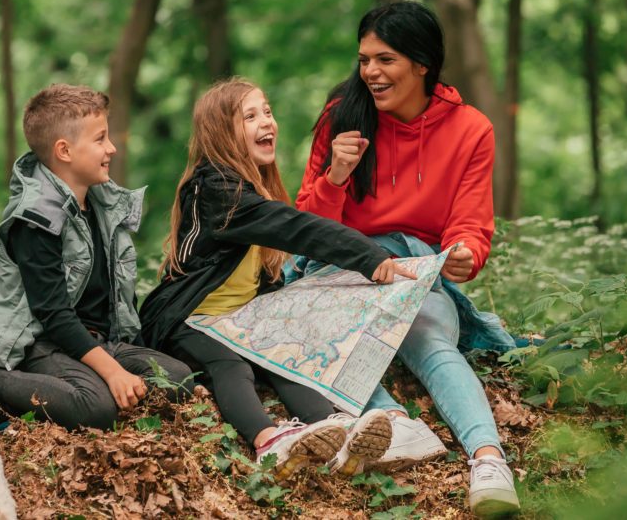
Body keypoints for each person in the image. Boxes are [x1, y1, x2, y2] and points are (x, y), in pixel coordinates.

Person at [295, 1, 520, 516]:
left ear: (422, 64)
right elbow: (307, 227)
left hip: (416, 272)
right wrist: (335, 177)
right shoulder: (341, 118)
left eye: (385, 59)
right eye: (364, 59)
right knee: (328, 342)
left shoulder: (470, 129)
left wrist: (466, 253)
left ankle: (489, 462)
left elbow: (470, 223)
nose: (371, 72)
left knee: (430, 341)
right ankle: (395, 424)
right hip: (343, 270)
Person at [139, 78, 418, 480]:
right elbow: (295, 227)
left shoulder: (254, 186)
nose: (266, 122)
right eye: (250, 116)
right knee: (231, 365)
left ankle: (338, 431)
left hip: (238, 319)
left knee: (287, 358)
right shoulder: (217, 189)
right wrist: (369, 257)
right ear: (221, 133)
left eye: (267, 112)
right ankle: (268, 441)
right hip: (186, 320)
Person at [0, 84, 194, 433]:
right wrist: (113, 373)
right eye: (100, 139)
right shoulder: (35, 219)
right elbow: (53, 315)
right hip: (42, 344)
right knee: (95, 410)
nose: (112, 148)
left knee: (177, 380)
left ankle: (37, 395)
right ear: (64, 150)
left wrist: (126, 366)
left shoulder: (103, 204)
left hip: (98, 342)